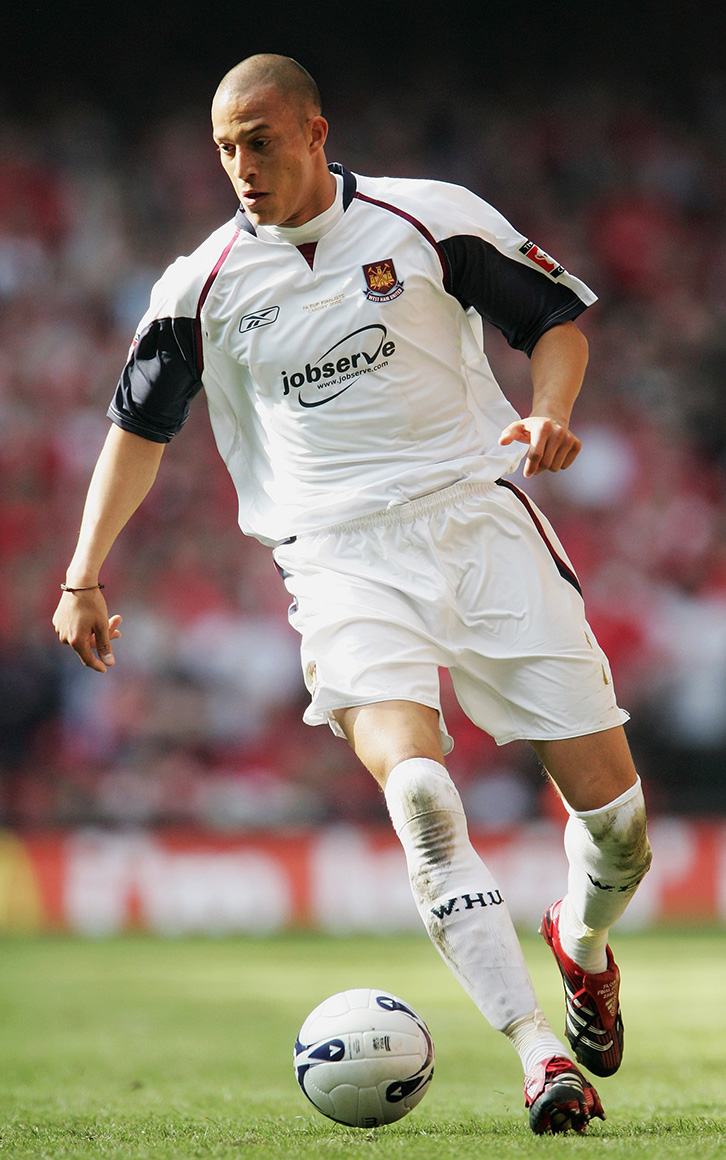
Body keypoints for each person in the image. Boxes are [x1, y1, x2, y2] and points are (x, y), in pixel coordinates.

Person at [53, 54, 652, 1135]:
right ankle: (538, 1055)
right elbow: (138, 431)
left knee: (618, 828)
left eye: (262, 140)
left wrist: (548, 410)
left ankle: (584, 939)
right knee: (422, 797)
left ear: (316, 131)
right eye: (227, 146)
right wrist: (82, 571)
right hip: (336, 559)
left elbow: (554, 322)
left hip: (479, 524)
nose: (243, 165)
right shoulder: (202, 285)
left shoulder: (427, 222)